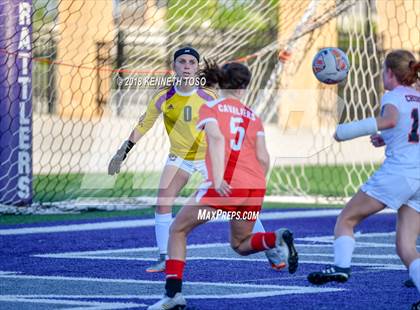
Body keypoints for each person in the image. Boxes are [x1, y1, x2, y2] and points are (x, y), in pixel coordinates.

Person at [108, 47, 284, 273]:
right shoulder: (163, 97)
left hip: (210, 158)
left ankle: (271, 248)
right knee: (163, 202)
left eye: (192, 62)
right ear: (174, 67)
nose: (187, 65)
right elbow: (144, 125)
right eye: (182, 61)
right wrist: (122, 152)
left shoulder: (209, 96)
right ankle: (165, 256)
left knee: (235, 206)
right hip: (180, 157)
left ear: (197, 68)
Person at [147, 60, 299, 310]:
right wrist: (257, 185)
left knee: (178, 230)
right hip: (253, 189)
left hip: (224, 187)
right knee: (240, 244)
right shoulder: (253, 116)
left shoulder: (212, 107)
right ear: (245, 87)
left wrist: (218, 179)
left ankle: (173, 295)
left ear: (221, 82)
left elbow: (216, 138)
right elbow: (263, 157)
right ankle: (275, 238)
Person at [307, 50, 420, 309]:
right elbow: (407, 129)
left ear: (390, 73)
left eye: (383, 70)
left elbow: (391, 119)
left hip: (399, 173)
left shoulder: (393, 95)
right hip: (418, 175)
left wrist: (346, 131)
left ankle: (341, 267)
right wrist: (388, 138)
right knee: (405, 246)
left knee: (347, 218)